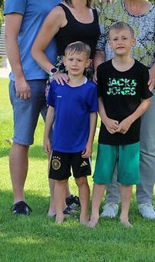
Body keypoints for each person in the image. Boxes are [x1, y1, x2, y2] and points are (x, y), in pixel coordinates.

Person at [94, 0, 155, 220]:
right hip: (115, 87)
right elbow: (98, 49)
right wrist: (99, 74)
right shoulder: (109, 12)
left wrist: (148, 74)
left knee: (146, 145)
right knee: (114, 141)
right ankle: (112, 201)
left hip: (149, 86)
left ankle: (145, 201)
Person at [3, 0, 68, 216]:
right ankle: (19, 199)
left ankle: (61, 197)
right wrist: (18, 76)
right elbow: (11, 36)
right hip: (29, 78)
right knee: (23, 139)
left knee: (60, 139)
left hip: (59, 79)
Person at [31, 0, 99, 217]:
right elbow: (36, 50)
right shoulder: (60, 12)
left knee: (81, 140)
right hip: (63, 83)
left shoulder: (95, 13)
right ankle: (54, 205)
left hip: (87, 84)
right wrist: (54, 72)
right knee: (58, 141)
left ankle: (76, 200)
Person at [88, 22, 152, 228]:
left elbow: (146, 101)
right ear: (109, 44)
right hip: (108, 133)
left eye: (124, 38)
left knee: (127, 177)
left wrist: (129, 120)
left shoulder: (141, 71)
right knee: (101, 176)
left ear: (133, 41)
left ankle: (124, 215)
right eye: (115, 39)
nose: (120, 42)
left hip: (130, 133)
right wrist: (105, 120)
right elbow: (98, 99)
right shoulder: (104, 70)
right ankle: (95, 215)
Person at [43, 41, 98, 225]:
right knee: (59, 180)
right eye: (71, 59)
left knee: (81, 180)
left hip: (80, 145)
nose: (75, 64)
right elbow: (51, 111)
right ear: (64, 61)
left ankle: (84, 215)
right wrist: (46, 137)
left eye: (79, 60)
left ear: (87, 63)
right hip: (59, 144)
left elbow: (93, 116)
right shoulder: (57, 86)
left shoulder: (90, 88)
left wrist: (90, 142)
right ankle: (59, 213)